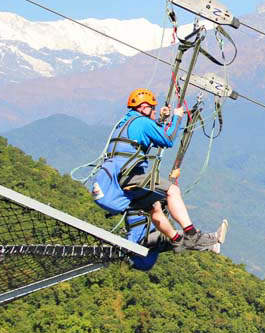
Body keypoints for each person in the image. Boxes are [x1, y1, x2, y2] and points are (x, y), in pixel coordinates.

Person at [92, 88, 226, 270]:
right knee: (172, 191)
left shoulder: (127, 123)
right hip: (131, 176)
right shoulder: (141, 122)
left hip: (120, 178)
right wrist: (178, 117)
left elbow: (147, 133)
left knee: (155, 207)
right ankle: (191, 234)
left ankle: (179, 240)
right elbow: (168, 139)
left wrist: (161, 119)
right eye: (153, 108)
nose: (155, 111)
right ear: (144, 107)